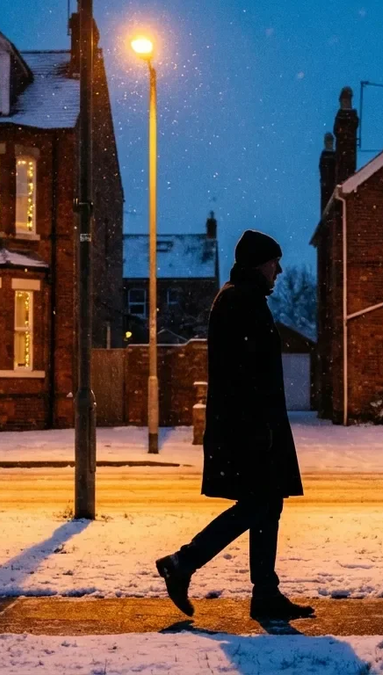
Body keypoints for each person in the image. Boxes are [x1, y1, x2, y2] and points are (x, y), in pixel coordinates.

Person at [155, 230, 314, 622]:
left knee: (267, 503)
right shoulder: (239, 301)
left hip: (254, 425)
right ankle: (183, 563)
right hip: (250, 428)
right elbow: (243, 374)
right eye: (274, 261)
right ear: (259, 262)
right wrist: (259, 426)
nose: (279, 269)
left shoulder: (244, 298)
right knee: (259, 504)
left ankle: (264, 593)